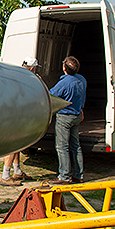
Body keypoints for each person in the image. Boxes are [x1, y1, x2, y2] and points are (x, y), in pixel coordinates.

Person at [0, 57, 38, 186]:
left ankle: (17, 171)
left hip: (12, 114)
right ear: (32, 68)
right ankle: (5, 176)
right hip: (16, 116)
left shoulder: (16, 75)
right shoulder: (30, 80)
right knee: (14, 144)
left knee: (18, 145)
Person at [48, 56, 87, 185]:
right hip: (76, 115)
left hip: (65, 117)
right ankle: (78, 175)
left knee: (62, 146)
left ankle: (64, 176)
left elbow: (51, 95)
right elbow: (82, 97)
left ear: (64, 68)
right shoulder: (82, 80)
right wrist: (81, 109)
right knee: (76, 146)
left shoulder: (64, 82)